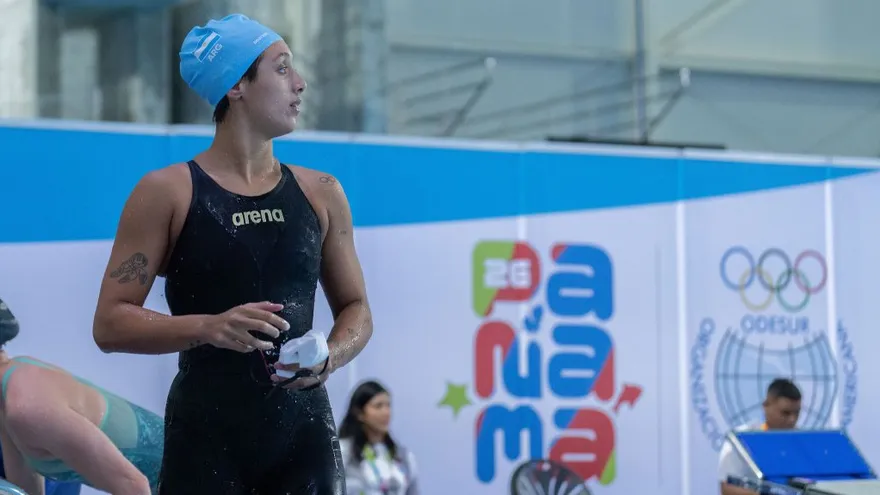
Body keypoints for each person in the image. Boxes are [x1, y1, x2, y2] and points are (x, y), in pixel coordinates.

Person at [92, 13, 373, 494]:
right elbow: (110, 323)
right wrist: (209, 327)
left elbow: (357, 308)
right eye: (282, 68)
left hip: (304, 440)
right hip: (206, 442)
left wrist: (331, 355)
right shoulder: (167, 192)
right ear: (236, 85)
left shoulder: (322, 192)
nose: (300, 83)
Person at [0, 299, 162, 495]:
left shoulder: (27, 404)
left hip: (188, 474)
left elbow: (134, 485)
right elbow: (25, 488)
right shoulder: (8, 403)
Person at [718, 378, 802, 495]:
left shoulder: (802, 442)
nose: (792, 419)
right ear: (766, 406)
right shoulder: (741, 440)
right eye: (785, 413)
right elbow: (727, 488)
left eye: (796, 413)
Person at [339, 381, 419, 495]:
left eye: (388, 405)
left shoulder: (403, 456)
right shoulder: (343, 452)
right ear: (359, 413)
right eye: (378, 406)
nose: (386, 412)